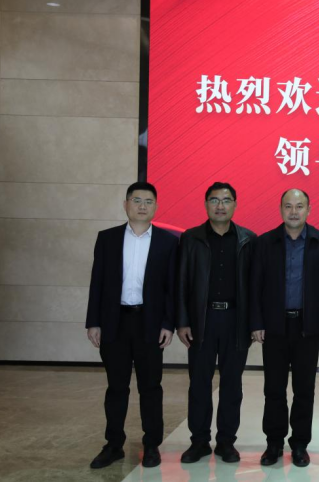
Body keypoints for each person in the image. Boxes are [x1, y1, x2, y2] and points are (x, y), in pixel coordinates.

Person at [86, 182, 178, 469]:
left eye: (148, 201)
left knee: (151, 387)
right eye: (136, 200)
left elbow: (171, 288)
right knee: (116, 387)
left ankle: (152, 445)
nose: (142, 206)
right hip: (114, 322)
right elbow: (97, 282)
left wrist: (168, 324)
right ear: (125, 204)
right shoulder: (107, 238)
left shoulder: (168, 242)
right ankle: (113, 445)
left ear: (156, 207)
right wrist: (94, 322)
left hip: (150, 324)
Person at [250, 189, 319, 468]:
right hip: (274, 325)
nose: (294, 212)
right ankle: (273, 443)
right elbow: (255, 285)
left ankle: (299, 444)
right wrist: (257, 322)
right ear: (280, 209)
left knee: (304, 389)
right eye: (289, 206)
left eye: (299, 206)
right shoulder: (265, 242)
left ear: (309, 209)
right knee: (273, 388)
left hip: (307, 326)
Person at [176, 182, 256, 464]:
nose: (220, 205)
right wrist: (182, 321)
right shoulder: (191, 238)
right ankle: (199, 442)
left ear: (235, 204)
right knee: (199, 383)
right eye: (214, 200)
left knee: (232, 385)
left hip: (236, 320)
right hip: (202, 320)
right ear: (206, 204)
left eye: (226, 200)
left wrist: (254, 323)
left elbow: (256, 286)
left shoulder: (248, 239)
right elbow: (181, 282)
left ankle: (226, 442)